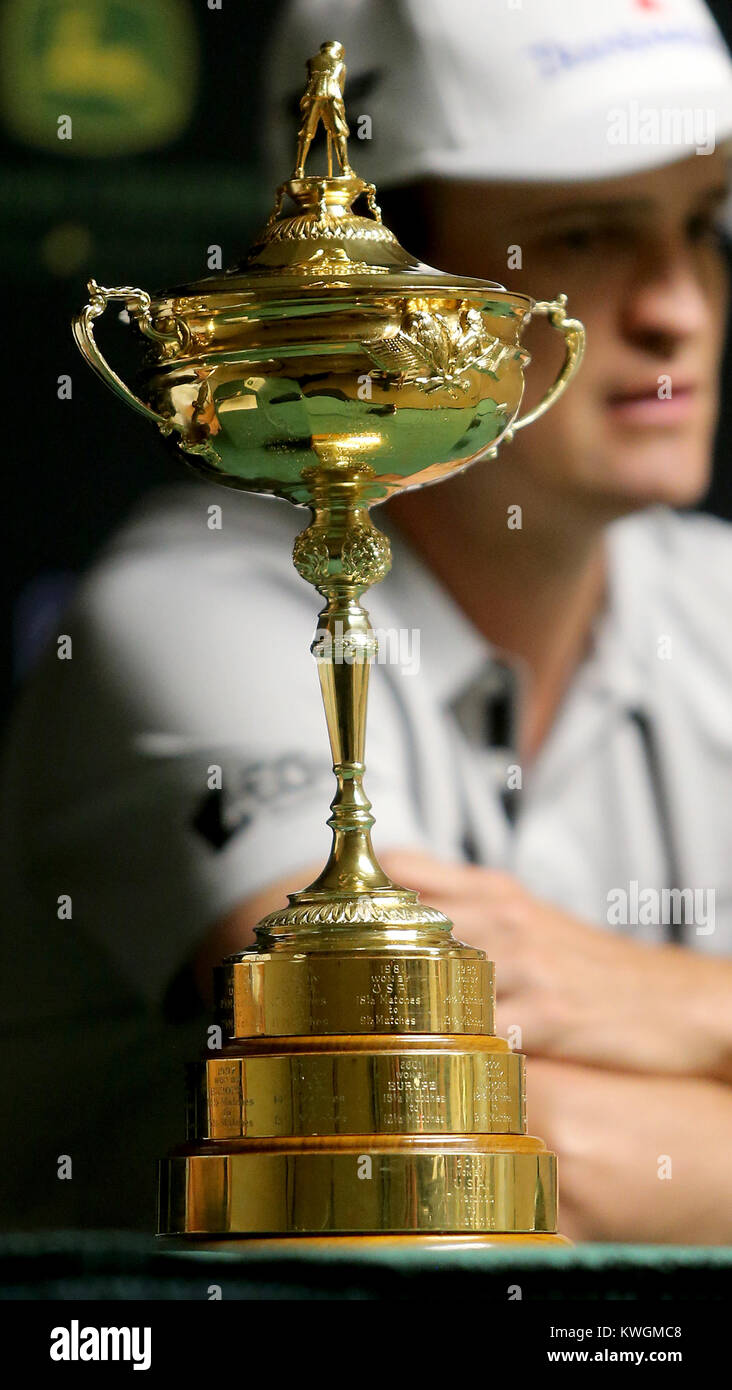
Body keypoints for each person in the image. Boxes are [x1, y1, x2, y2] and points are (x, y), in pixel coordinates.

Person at [2, 0, 732, 1241]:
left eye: (705, 225)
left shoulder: (712, 594)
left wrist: (680, 1005)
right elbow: (418, 1155)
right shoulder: (178, 616)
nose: (677, 306)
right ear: (382, 279)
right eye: (586, 232)